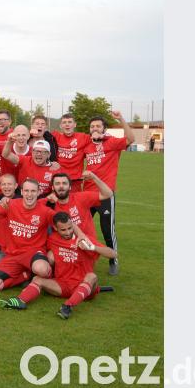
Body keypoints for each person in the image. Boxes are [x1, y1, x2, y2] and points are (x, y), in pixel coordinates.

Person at [0, 212, 117, 320]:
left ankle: (67, 307)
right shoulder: (52, 239)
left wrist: (92, 247)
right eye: (63, 230)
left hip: (83, 286)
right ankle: (19, 301)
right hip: (62, 285)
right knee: (37, 279)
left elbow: (113, 254)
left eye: (70, 228)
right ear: (55, 228)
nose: (68, 232)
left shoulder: (84, 240)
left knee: (92, 276)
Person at [0, 179, 89, 292]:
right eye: (26, 191)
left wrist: (81, 235)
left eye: (33, 191)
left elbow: (66, 221)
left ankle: (46, 279)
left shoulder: (45, 211)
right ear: (21, 192)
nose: (29, 194)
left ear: (38, 192)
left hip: (34, 253)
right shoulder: (11, 204)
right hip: (13, 254)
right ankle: (25, 276)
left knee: (42, 270)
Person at [83, 110, 135, 275]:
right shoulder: (87, 144)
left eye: (98, 125)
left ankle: (113, 260)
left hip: (105, 194)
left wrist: (121, 119)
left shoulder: (111, 142)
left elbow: (131, 139)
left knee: (107, 230)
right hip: (87, 194)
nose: (95, 128)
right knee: (82, 227)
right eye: (92, 126)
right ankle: (82, 259)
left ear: (104, 128)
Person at [43, 171, 112, 243]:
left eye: (64, 183)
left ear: (70, 187)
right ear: (53, 187)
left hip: (87, 245)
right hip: (65, 248)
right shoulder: (48, 205)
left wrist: (94, 177)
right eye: (57, 184)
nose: (61, 186)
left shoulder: (81, 197)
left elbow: (108, 194)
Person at [53, 113, 92, 192]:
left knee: (75, 204)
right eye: (64, 122)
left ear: (74, 125)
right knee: (58, 203)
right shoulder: (55, 136)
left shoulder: (83, 137)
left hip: (75, 181)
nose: (67, 124)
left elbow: (98, 139)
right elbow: (40, 136)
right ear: (61, 126)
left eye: (70, 122)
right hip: (59, 180)